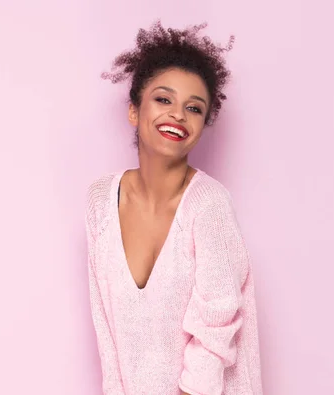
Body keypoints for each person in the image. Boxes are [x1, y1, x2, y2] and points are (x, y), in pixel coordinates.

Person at [85, 20, 263, 395]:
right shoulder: (100, 200)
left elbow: (217, 324)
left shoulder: (209, 205)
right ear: (134, 111)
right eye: (164, 99)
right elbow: (105, 325)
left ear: (203, 123)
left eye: (194, 108)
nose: (178, 115)